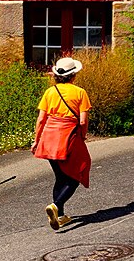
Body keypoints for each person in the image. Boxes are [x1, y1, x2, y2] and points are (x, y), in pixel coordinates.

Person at [31, 56, 91, 230]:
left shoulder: (50, 92)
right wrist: (83, 136)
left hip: (49, 137)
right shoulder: (80, 92)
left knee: (60, 176)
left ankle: (61, 216)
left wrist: (36, 141)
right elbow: (82, 121)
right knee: (77, 173)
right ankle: (56, 205)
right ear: (73, 75)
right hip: (69, 136)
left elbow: (41, 119)